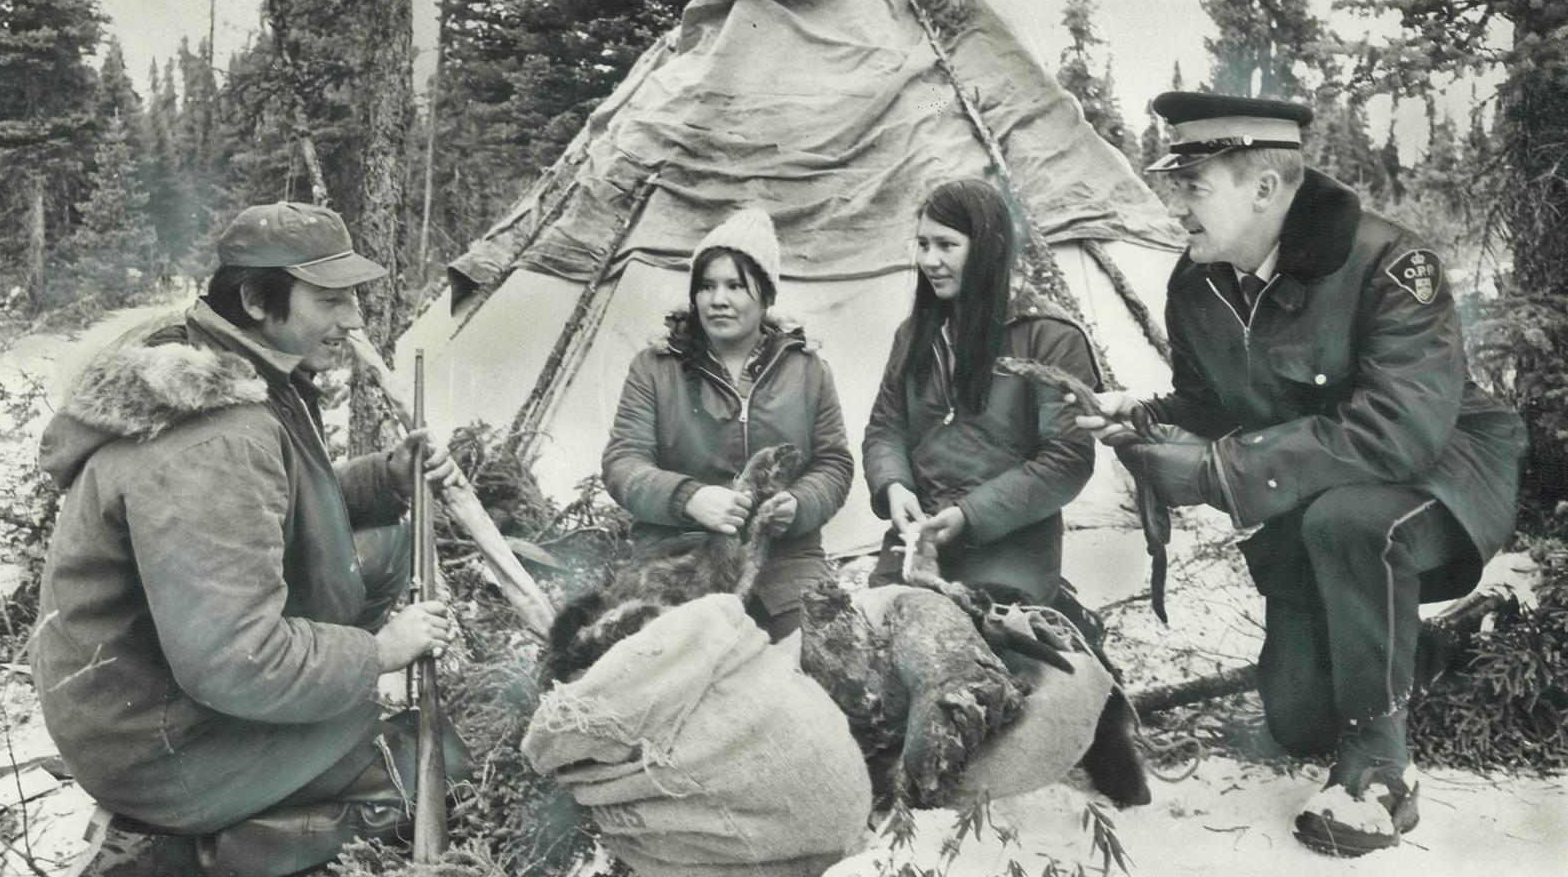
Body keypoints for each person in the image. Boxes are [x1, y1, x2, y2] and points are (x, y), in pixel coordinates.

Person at [1076, 92, 1526, 856]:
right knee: (1294, 720)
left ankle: (1381, 773)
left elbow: (1399, 429)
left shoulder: (1391, 262)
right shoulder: (1197, 283)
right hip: (1319, 480)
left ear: (1264, 189)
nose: (1175, 204)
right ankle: (1431, 650)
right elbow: (1211, 400)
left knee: (1347, 522)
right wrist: (1148, 417)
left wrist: (1219, 472)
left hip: (1444, 470)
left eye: (1193, 186)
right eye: (1176, 184)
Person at [33, 201, 470, 877]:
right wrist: (377, 652)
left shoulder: (238, 366)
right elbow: (234, 658)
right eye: (328, 299)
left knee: (385, 543)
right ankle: (184, 853)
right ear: (256, 300)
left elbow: (283, 502)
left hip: (156, 699)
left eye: (352, 295)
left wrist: (388, 477)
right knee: (433, 762)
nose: (352, 318)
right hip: (162, 746)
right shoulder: (213, 437)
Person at [601, 208, 854, 640]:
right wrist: (689, 497)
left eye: (735, 285)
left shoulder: (807, 370)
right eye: (706, 286)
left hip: (785, 559)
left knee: (820, 662)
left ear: (766, 296)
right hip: (677, 555)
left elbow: (834, 464)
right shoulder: (655, 368)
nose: (718, 299)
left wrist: (798, 505)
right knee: (661, 672)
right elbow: (623, 462)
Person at [860, 177, 1099, 608]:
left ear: (988, 247)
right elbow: (886, 427)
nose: (929, 260)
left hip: (1012, 544)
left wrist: (971, 516)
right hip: (921, 536)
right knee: (878, 635)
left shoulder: (1048, 337)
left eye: (946, 245)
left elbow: (1068, 460)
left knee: (990, 648)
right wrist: (894, 485)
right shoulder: (915, 334)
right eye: (922, 244)